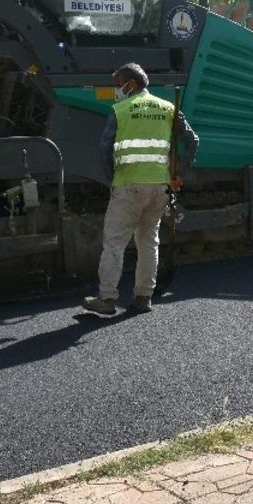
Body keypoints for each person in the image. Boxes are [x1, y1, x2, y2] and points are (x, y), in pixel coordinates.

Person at [84, 63, 198, 316]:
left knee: (114, 243)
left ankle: (107, 299)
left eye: (119, 84)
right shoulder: (169, 108)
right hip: (160, 188)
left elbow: (105, 150)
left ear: (131, 84)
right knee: (148, 242)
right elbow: (192, 141)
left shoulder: (120, 110)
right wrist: (179, 175)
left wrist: (112, 178)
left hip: (128, 185)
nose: (117, 90)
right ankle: (143, 297)